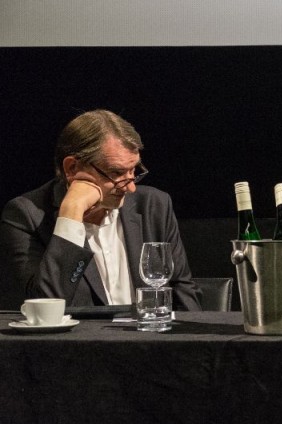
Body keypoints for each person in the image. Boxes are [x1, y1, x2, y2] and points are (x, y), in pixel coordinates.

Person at [0, 110, 201, 310]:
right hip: (79, 342)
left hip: (151, 340)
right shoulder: (25, 216)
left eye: (133, 171)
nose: (130, 187)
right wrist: (71, 213)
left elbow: (183, 296)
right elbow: (45, 309)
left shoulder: (154, 205)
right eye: (116, 173)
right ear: (72, 168)